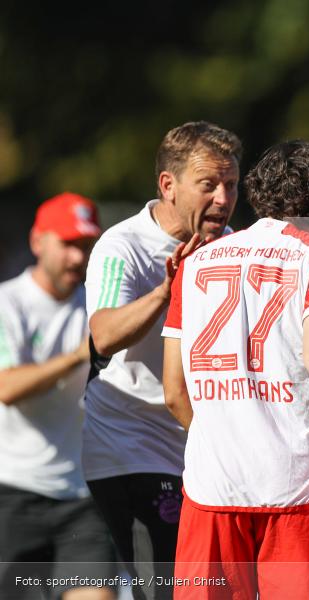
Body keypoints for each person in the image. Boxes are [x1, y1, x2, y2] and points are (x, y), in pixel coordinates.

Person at [161, 140, 309, 599]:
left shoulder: (194, 264)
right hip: (295, 482)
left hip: (212, 484)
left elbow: (174, 391)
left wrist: (228, 431)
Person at [83, 121, 242, 600]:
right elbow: (103, 335)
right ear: (168, 185)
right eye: (208, 184)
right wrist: (167, 291)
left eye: (231, 185)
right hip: (127, 446)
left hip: (201, 450)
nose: (222, 198)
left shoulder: (233, 247)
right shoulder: (122, 246)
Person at [0, 192, 116, 600]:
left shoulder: (99, 309)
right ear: (37, 242)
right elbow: (7, 387)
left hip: (81, 497)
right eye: (68, 244)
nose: (77, 258)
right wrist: (77, 356)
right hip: (12, 493)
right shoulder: (7, 303)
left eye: (86, 247)